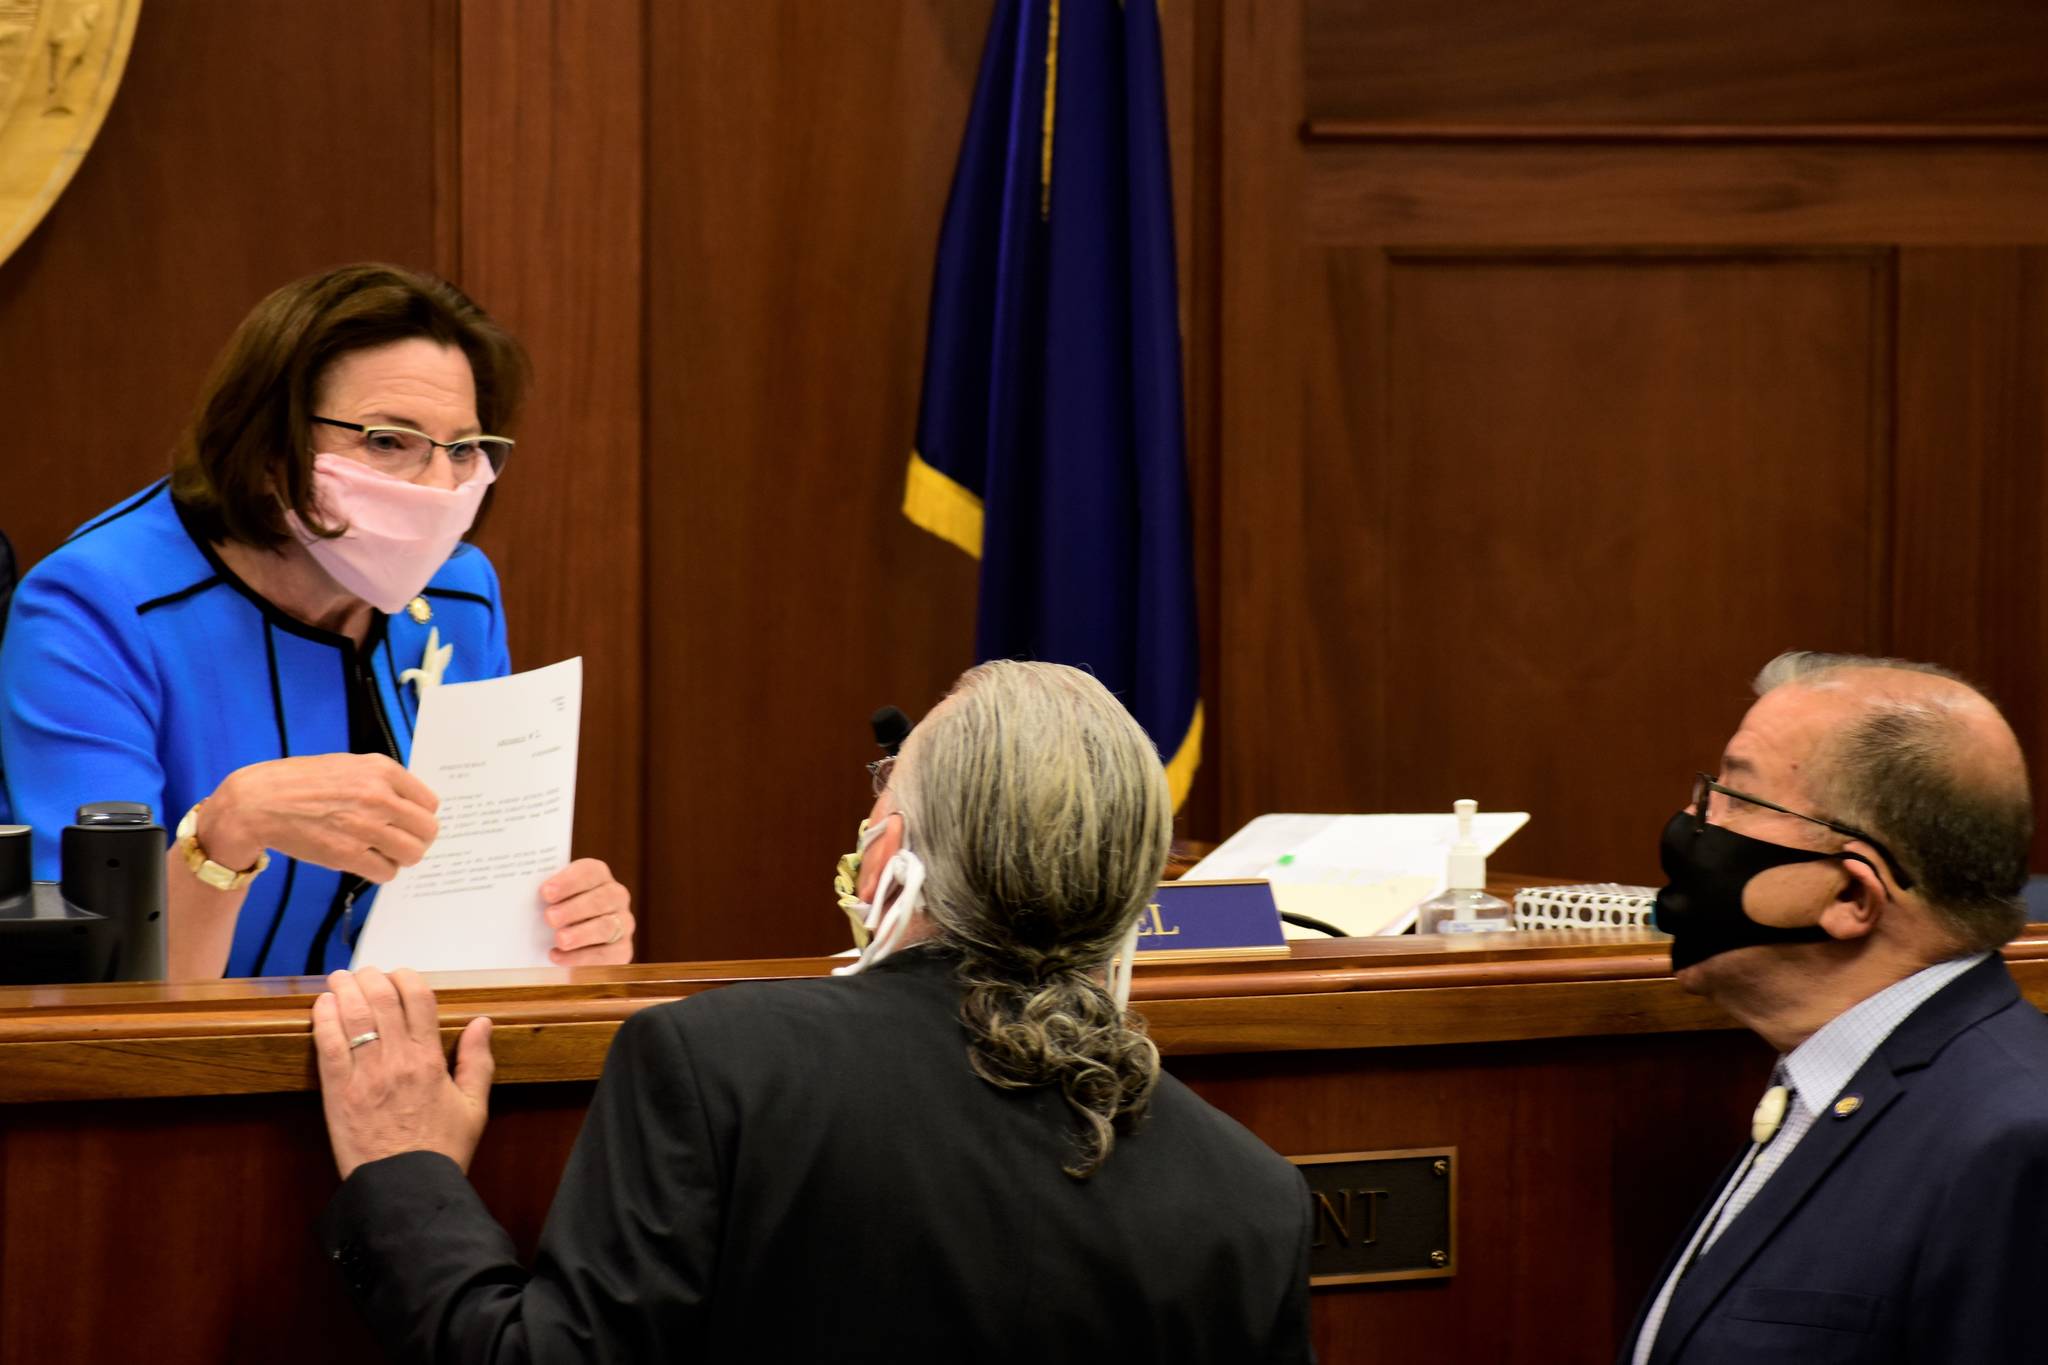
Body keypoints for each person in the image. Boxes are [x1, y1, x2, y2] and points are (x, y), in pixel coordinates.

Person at [311, 661, 1314, 1362]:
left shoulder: (716, 1067)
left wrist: (406, 1173)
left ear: (891, 858)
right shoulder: (1253, 1199)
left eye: (884, 794)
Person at [0, 264, 633, 979]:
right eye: (389, 441)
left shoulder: (462, 592)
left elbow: (464, 896)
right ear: (271, 444)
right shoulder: (96, 605)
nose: (439, 488)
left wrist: (561, 932)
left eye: (462, 449)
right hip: (180, 1075)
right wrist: (224, 835)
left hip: (394, 1052)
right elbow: (93, 980)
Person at [1625, 651, 2048, 1365]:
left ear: (1852, 896)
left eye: (1736, 798)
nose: (1694, 823)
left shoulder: (2013, 1143)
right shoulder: (1817, 1087)